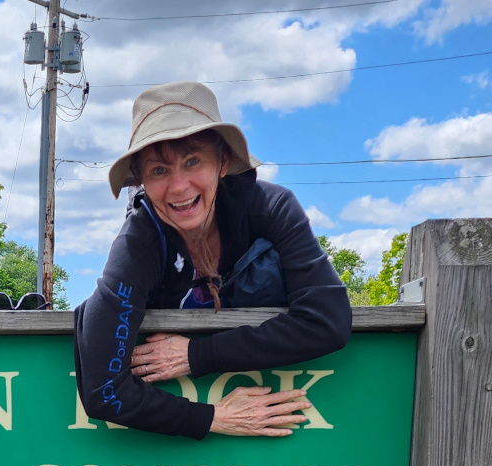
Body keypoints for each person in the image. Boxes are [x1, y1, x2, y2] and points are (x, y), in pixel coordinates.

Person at [74, 81, 352, 438]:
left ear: (223, 162)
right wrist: (212, 418)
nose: (179, 187)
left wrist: (198, 355)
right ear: (141, 180)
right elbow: (103, 391)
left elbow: (327, 321)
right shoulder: (139, 241)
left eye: (193, 161)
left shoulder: (273, 210)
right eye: (158, 170)